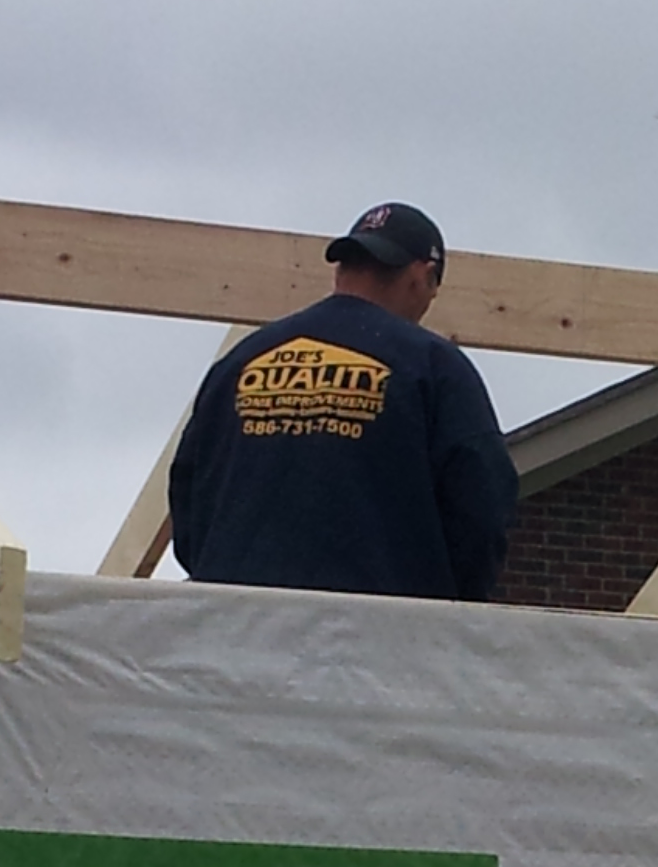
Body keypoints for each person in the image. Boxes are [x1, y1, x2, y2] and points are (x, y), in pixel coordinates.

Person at [169, 201, 518, 601]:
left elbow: (187, 499)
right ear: (423, 277)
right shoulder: (435, 367)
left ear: (342, 267)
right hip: (375, 642)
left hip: (237, 635)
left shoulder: (240, 363)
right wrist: (444, 607)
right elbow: (481, 509)